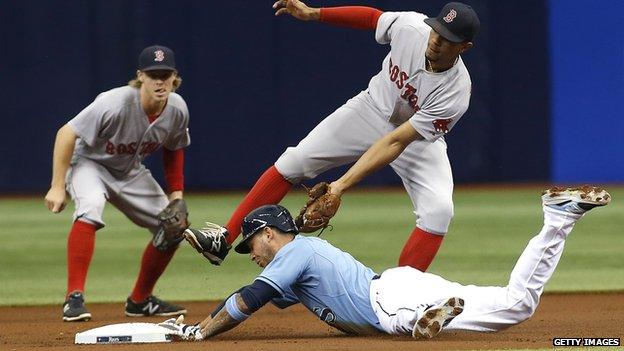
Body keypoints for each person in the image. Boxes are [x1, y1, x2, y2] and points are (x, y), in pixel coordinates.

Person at [191, 0, 481, 271]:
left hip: (415, 139)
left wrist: (339, 187)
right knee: (295, 161)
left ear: (464, 47)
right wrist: (314, 13)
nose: (436, 39)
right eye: (437, 30)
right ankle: (223, 239)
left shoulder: (456, 92)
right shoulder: (412, 27)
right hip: (369, 109)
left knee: (439, 211)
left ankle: (394, 297)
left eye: (447, 38)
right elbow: (372, 18)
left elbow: (396, 141)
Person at [166, 186, 610, 340]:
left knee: (396, 323)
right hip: (400, 286)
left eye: (251, 245)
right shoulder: (299, 262)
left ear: (268, 234)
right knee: (517, 305)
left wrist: (202, 329)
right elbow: (264, 297)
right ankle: (558, 218)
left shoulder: (294, 251)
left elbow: (250, 298)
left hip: (387, 297)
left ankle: (420, 320)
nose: (252, 254)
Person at [44, 45, 190, 322]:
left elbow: (174, 149)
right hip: (90, 164)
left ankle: (139, 301)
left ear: (174, 77)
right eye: (153, 74)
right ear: (140, 77)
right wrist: (57, 185)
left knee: (174, 226)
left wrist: (176, 195)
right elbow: (66, 132)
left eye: (165, 74)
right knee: (90, 207)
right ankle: (73, 298)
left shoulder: (178, 109)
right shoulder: (114, 102)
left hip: (129, 171)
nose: (159, 81)